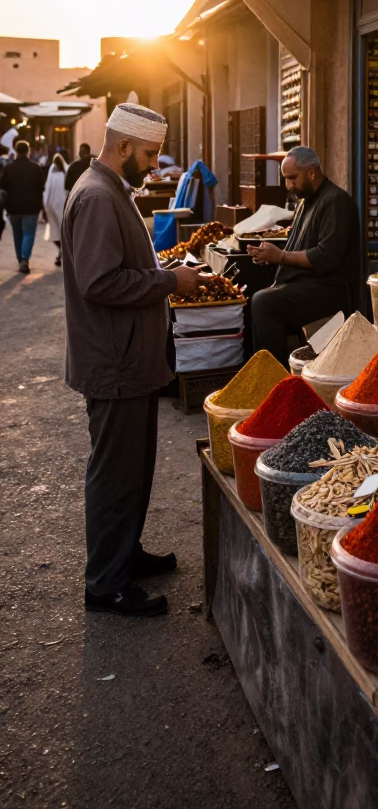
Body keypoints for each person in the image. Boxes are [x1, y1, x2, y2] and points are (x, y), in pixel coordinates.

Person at [62, 103, 204, 618]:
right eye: (148, 154)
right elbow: (99, 283)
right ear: (122, 147)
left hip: (129, 358)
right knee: (116, 474)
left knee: (134, 469)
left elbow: (119, 268)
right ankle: (105, 584)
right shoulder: (99, 196)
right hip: (114, 361)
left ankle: (125, 555)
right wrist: (170, 280)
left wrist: (162, 269)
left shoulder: (111, 188)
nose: (154, 165)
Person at [250, 147, 359, 366]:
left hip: (331, 290)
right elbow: (297, 245)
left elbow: (326, 257)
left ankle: (274, 376)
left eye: (292, 178)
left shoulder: (336, 201)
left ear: (311, 171)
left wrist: (280, 256)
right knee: (254, 290)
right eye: (286, 179)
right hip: (307, 283)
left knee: (264, 303)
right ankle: (257, 372)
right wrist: (270, 256)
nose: (288, 185)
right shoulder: (305, 202)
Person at [0, 140, 45, 274]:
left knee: (17, 234)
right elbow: (41, 186)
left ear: (16, 151)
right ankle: (25, 259)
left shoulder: (9, 168)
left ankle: (20, 260)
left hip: (13, 208)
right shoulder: (35, 167)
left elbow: (2, 188)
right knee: (29, 234)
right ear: (28, 151)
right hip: (31, 208)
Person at [43, 152, 68, 266]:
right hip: (62, 206)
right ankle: (62, 253)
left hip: (53, 206)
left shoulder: (53, 172)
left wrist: (45, 206)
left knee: (56, 233)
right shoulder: (65, 172)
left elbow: (47, 190)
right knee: (62, 232)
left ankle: (60, 254)